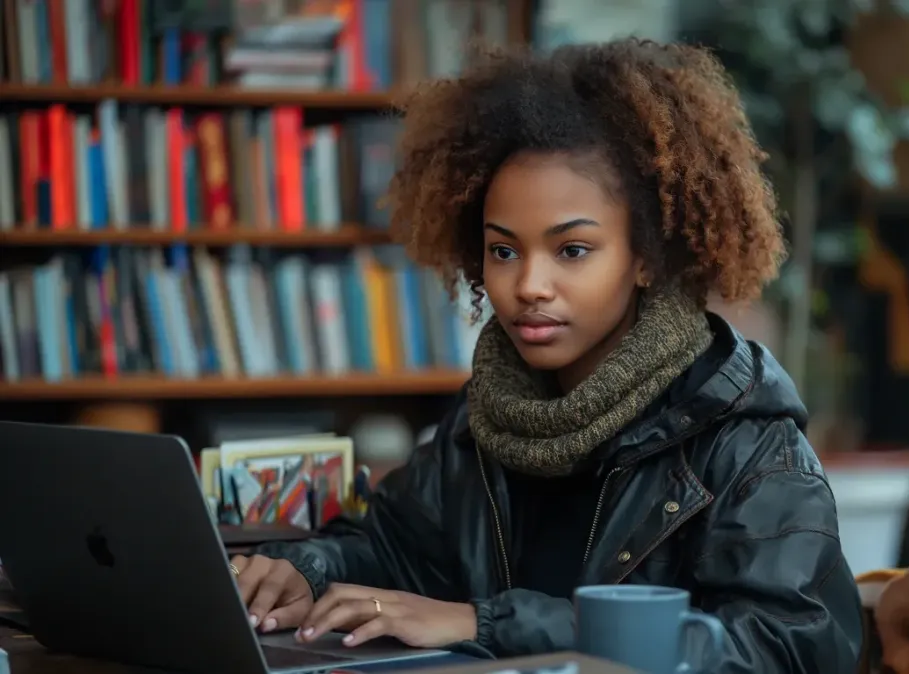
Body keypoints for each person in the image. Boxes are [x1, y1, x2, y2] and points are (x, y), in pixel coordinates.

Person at [231, 38, 863, 672]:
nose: (529, 285)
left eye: (572, 250)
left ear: (646, 256)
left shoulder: (749, 446)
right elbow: (390, 548)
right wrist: (304, 571)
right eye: (504, 250)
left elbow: (786, 650)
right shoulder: (486, 420)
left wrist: (489, 623)